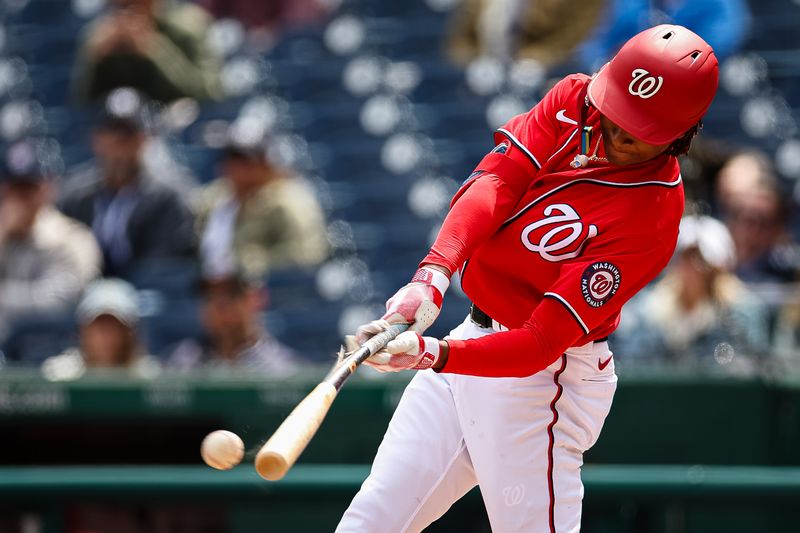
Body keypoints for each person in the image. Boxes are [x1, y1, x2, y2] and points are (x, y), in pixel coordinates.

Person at [336, 25, 719, 532]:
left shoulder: (652, 215)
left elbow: (539, 343)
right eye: (616, 112)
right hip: (471, 342)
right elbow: (497, 180)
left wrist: (430, 355)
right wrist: (431, 275)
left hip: (543, 381)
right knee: (369, 523)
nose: (618, 132)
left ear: (682, 133)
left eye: (639, 128)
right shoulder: (574, 99)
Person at [59, 95, 196, 278]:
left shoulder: (169, 195)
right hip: (84, 294)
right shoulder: (74, 195)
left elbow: (163, 264)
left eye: (128, 134)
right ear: (96, 140)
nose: (119, 143)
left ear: (144, 140)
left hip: (146, 297)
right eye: (112, 132)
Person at [614, 215, 767, 368]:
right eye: (687, 257)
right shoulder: (649, 310)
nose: (695, 268)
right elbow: (636, 363)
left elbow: (749, 364)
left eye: (703, 260)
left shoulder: (742, 311)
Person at [0, 140, 101, 341]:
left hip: (53, 348)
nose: (21, 198)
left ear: (47, 189)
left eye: (29, 189)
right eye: (15, 189)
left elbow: (60, 302)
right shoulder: (3, 233)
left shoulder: (73, 238)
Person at [193, 131, 328, 279]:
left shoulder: (290, 201)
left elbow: (307, 256)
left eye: (242, 159)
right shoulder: (214, 197)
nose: (231, 166)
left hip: (265, 291)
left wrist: (248, 262)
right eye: (228, 157)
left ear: (266, 163)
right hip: (209, 288)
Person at [71, 0, 221, 104]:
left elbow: (208, 95)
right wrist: (95, 59)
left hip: (178, 128)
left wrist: (153, 48)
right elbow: (83, 104)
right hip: (123, 131)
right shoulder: (101, 34)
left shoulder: (189, 27)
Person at [166, 269, 299, 375]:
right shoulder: (183, 360)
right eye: (210, 296)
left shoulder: (282, 367)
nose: (220, 304)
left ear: (257, 298)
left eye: (232, 294)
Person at [41, 278, 159, 381]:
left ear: (129, 333)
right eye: (99, 326)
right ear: (83, 330)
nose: (106, 336)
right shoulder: (60, 376)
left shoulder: (148, 377)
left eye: (115, 326)